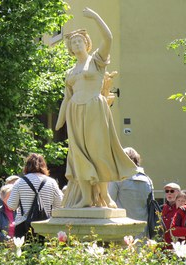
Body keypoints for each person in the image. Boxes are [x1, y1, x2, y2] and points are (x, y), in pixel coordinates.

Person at [55, 7, 137, 208]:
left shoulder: (97, 61)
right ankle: (86, 197)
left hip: (95, 109)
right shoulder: (69, 72)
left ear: (87, 43)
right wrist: (60, 122)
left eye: (79, 41)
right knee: (78, 155)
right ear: (70, 49)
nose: (76, 44)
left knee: (99, 153)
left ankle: (104, 196)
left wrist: (95, 17)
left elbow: (108, 38)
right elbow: (67, 99)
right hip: (75, 112)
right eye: (73, 43)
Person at [7, 153, 63, 238]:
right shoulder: (52, 182)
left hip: (23, 225)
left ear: (27, 166)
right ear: (44, 165)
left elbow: (11, 205)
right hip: (45, 224)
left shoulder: (20, 182)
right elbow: (59, 204)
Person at [108, 147, 152, 223]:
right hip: (143, 227)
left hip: (121, 226)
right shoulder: (147, 180)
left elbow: (110, 203)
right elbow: (151, 206)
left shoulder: (118, 179)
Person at [161, 182, 181, 247]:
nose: (169, 193)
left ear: (178, 193)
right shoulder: (162, 208)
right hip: (163, 245)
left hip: (177, 244)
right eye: (167, 191)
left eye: (172, 191)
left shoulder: (182, 208)